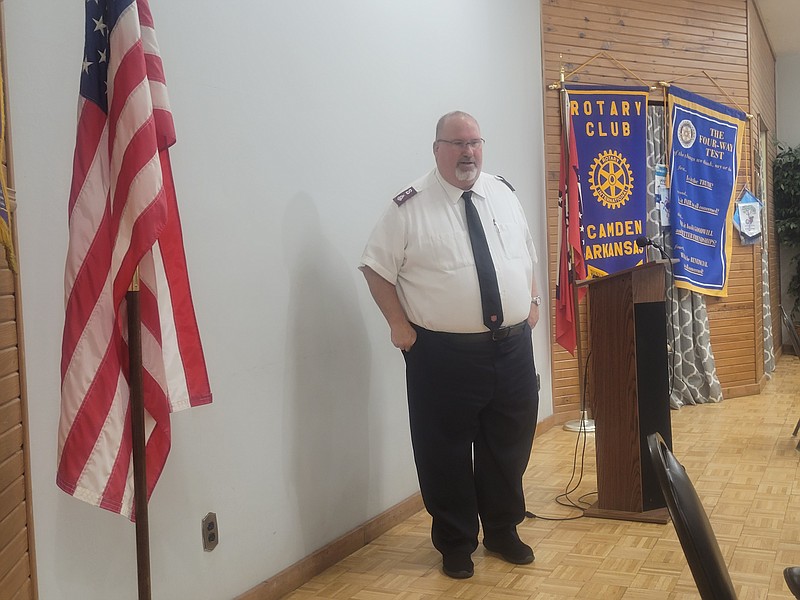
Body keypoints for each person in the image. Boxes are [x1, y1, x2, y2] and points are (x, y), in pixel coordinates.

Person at [359, 111, 541, 579]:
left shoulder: (502, 193)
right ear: (437, 148)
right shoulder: (409, 206)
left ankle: (503, 530)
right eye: (457, 143)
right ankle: (456, 543)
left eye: (475, 143)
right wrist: (399, 325)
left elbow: (525, 252)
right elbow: (374, 267)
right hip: (443, 357)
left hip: (512, 349)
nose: (468, 152)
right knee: (445, 452)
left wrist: (534, 299)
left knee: (509, 444)